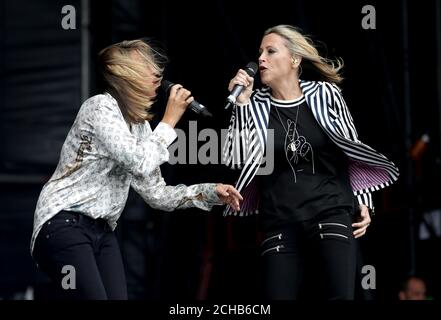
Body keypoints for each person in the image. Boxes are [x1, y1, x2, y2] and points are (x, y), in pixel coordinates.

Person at [31, 39, 243, 300]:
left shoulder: (141, 128)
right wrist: (169, 120)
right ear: (125, 73)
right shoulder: (99, 108)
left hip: (102, 231)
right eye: (146, 66)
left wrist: (211, 192)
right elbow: (138, 160)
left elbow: (157, 194)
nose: (157, 74)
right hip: (63, 222)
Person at [222, 25, 399, 299]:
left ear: (294, 59)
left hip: (330, 212)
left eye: (270, 51)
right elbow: (235, 158)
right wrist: (242, 105)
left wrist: (363, 201)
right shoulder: (253, 103)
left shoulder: (325, 94)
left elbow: (352, 148)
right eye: (260, 52)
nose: (261, 59)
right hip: (280, 220)